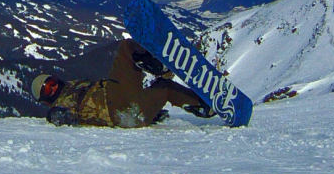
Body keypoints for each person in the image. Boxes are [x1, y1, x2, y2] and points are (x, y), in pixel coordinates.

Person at [32, 37, 213, 127]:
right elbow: (58, 117)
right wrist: (56, 115)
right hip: (114, 104)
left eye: (52, 82)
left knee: (164, 87)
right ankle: (157, 64)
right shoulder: (59, 106)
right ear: (46, 100)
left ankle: (203, 106)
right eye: (48, 89)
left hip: (132, 117)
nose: (54, 87)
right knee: (125, 47)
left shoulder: (72, 88)